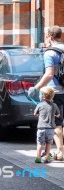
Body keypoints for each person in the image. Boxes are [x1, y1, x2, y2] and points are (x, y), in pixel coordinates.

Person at [28, 25, 64, 161]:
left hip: (55, 92)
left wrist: (36, 88)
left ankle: (60, 153)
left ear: (49, 36)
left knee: (56, 123)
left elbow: (49, 74)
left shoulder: (50, 53)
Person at [33, 86, 60, 163]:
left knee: (40, 144)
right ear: (52, 96)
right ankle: (46, 158)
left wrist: (38, 114)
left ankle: (38, 158)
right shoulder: (54, 105)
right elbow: (58, 115)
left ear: (43, 96)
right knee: (48, 143)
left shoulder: (40, 105)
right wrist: (54, 115)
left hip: (41, 128)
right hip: (51, 129)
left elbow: (35, 114)